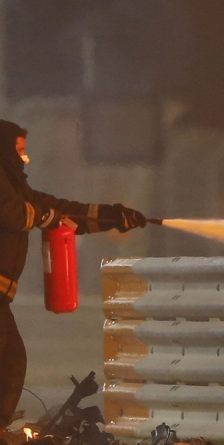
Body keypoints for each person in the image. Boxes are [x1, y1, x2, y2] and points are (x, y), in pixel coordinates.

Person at [0, 119, 147, 433]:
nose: (24, 158)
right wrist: (47, 217)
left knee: (11, 362)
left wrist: (111, 216)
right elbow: (13, 212)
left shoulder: (14, 185)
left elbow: (54, 209)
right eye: (19, 151)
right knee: (9, 362)